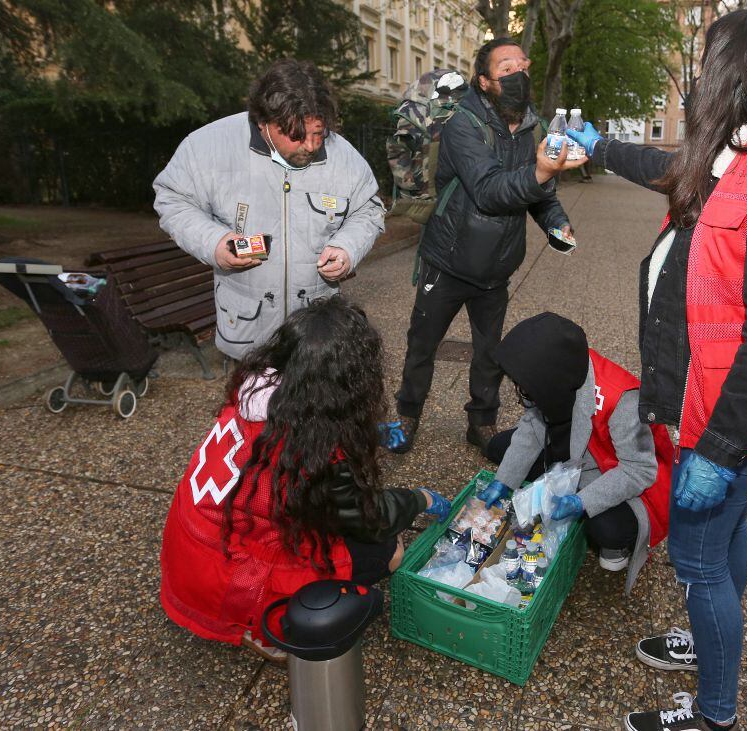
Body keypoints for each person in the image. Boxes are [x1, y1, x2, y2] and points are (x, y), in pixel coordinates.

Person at [566, 9, 747, 731]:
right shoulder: (744, 153)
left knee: (697, 560)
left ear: (740, 68)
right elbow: (671, 170)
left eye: (710, 62)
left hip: (728, 418)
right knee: (726, 536)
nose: (701, 78)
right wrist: (600, 146)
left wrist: (723, 447)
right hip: (703, 403)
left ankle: (715, 712)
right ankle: (706, 644)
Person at [159, 297, 451, 663]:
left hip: (190, 554)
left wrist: (369, 433)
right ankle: (265, 631)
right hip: (231, 579)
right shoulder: (312, 455)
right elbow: (365, 517)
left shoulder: (253, 393)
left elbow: (306, 427)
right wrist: (419, 499)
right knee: (385, 547)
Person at [382, 38, 587, 456]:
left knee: (490, 352)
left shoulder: (533, 127)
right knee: (423, 344)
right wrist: (542, 171)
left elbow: (540, 194)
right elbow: (490, 189)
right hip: (449, 260)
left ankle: (482, 421)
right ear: (484, 81)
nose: (518, 75)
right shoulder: (462, 124)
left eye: (522, 65)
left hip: (497, 267)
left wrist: (557, 224)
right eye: (506, 68)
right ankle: (408, 413)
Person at [153, 58, 385, 360]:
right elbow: (173, 199)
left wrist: (347, 248)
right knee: (251, 405)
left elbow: (368, 210)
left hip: (315, 333)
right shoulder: (208, 147)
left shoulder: (343, 157)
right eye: (298, 136)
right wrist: (214, 242)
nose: (312, 145)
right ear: (265, 122)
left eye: (319, 132)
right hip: (248, 333)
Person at [476, 312, 673, 595]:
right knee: (499, 448)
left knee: (606, 527)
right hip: (575, 446)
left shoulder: (623, 399)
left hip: (612, 470)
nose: (521, 396)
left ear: (550, 384)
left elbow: (639, 470)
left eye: (527, 390)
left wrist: (581, 501)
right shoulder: (559, 368)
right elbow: (532, 426)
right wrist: (504, 481)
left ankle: (618, 545)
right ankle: (553, 481)